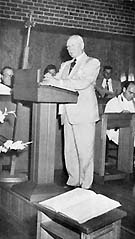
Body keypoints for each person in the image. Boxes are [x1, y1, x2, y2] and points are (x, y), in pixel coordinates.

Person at [44, 35, 100, 189]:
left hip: (84, 112)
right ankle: (73, 180)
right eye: (68, 47)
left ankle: (85, 184)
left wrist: (59, 81)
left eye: (72, 46)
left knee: (85, 150)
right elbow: (57, 82)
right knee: (70, 150)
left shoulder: (92, 62)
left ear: (81, 45)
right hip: (67, 112)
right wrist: (49, 79)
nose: (69, 49)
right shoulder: (65, 64)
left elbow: (82, 82)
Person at [105, 81, 135, 172]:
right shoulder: (114, 102)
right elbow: (108, 120)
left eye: (134, 93)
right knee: (129, 137)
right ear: (124, 89)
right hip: (118, 130)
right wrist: (122, 116)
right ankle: (127, 167)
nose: (132, 96)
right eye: (130, 93)